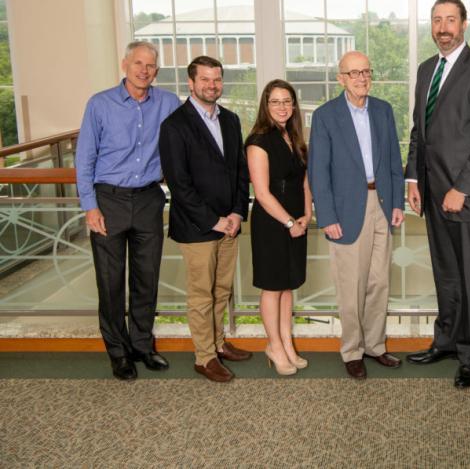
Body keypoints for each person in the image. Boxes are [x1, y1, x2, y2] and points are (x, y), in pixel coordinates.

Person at [405, 0, 470, 389]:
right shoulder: (427, 69)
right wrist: (414, 179)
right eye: (436, 20)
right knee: (446, 276)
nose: (443, 28)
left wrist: (461, 189)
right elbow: (420, 132)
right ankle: (446, 340)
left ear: (464, 25)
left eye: (450, 20)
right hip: (433, 195)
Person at [75, 41, 181, 380]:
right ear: (125, 65)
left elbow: (181, 144)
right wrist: (90, 206)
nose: (143, 70)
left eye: (150, 65)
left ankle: (142, 346)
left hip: (149, 198)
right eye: (137, 63)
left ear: (156, 70)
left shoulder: (167, 102)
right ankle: (118, 353)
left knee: (146, 278)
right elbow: (84, 159)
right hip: (109, 200)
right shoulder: (100, 104)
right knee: (110, 282)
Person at [309, 51, 405, 380]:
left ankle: (376, 345)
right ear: (341, 79)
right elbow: (318, 172)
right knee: (352, 286)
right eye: (354, 73)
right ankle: (352, 350)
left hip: (381, 203)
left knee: (379, 282)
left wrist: (397, 203)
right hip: (346, 210)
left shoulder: (383, 110)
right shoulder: (325, 116)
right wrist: (327, 216)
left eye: (366, 71)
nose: (361, 78)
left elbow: (394, 160)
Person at [159, 55, 252, 383]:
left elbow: (241, 170)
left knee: (222, 289)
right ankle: (204, 357)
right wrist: (214, 220)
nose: (212, 85)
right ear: (191, 82)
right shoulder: (175, 126)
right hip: (198, 227)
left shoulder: (231, 120)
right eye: (205, 80)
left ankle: (217, 343)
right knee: (201, 293)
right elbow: (178, 184)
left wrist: (238, 212)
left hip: (230, 223)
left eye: (217, 79)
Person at [246, 80, 312, 376]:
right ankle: (273, 345)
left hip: (297, 219)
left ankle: (286, 342)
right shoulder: (258, 141)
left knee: (287, 286)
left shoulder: (294, 137)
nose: (282, 107)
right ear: (265, 105)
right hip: (272, 223)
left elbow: (304, 180)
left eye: (287, 101)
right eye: (275, 102)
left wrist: (307, 214)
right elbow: (262, 192)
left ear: (294, 105)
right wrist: (288, 222)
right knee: (273, 287)